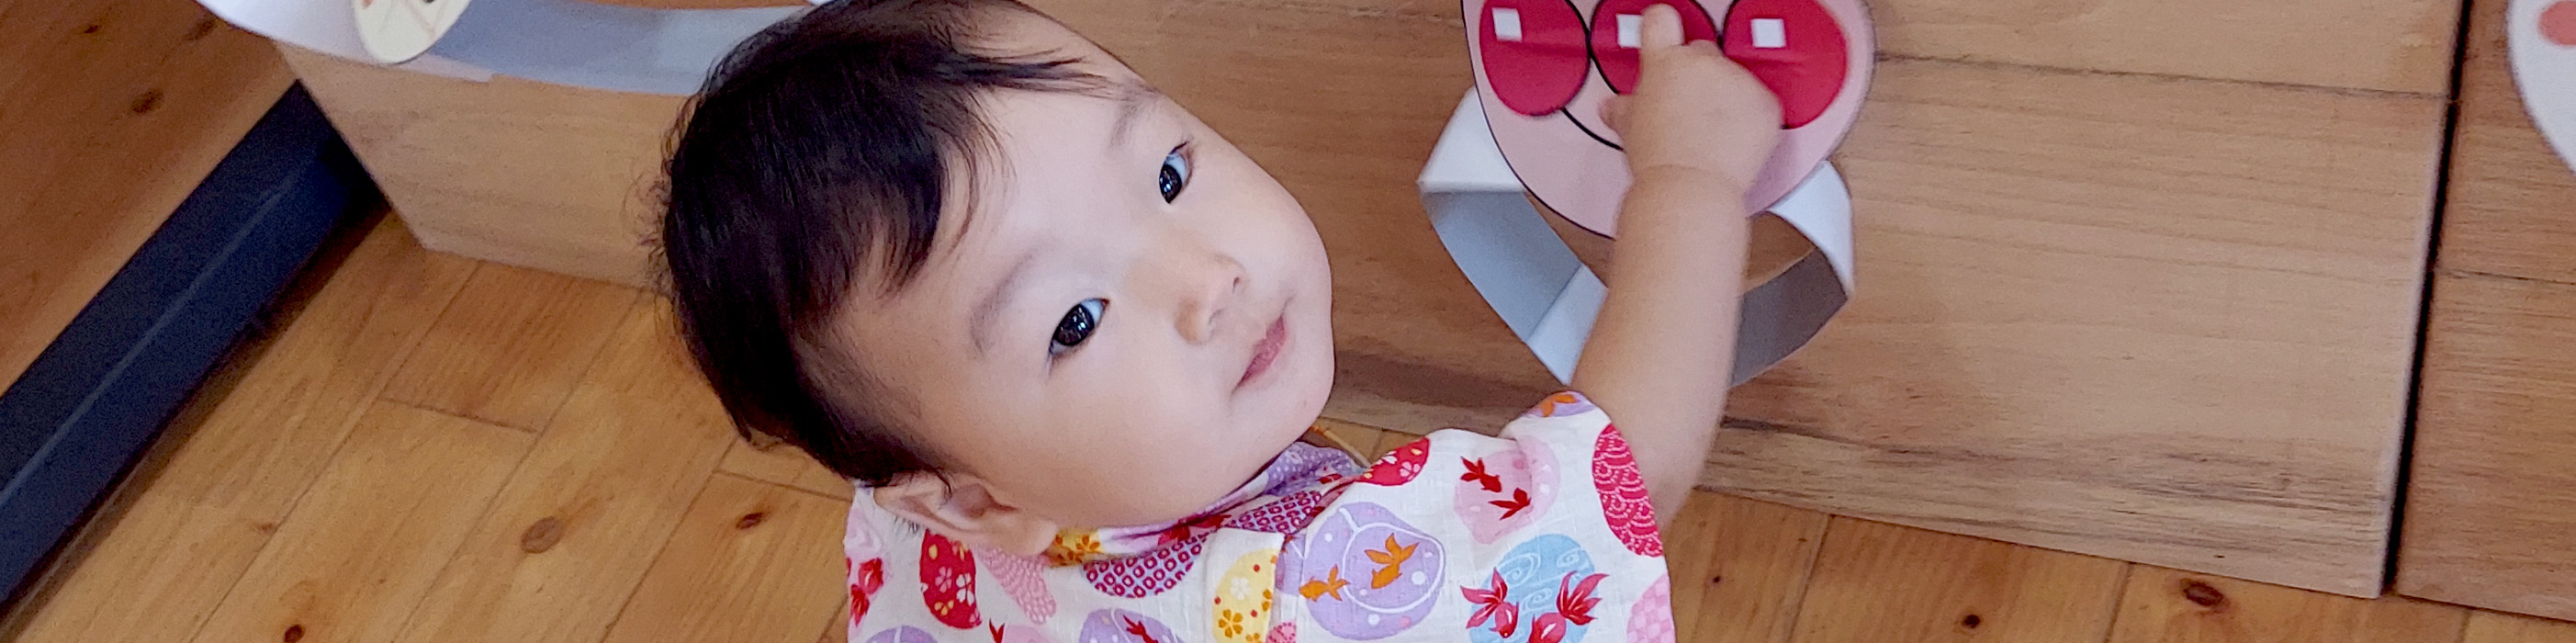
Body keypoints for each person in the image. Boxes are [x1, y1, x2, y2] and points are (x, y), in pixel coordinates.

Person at [652, 0, 1780, 638]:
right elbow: (1621, 473)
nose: (1207, 278)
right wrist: (1687, 178)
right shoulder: (1307, 590)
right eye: (1077, 320)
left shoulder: (919, 501)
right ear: (972, 502)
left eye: (1170, 175)